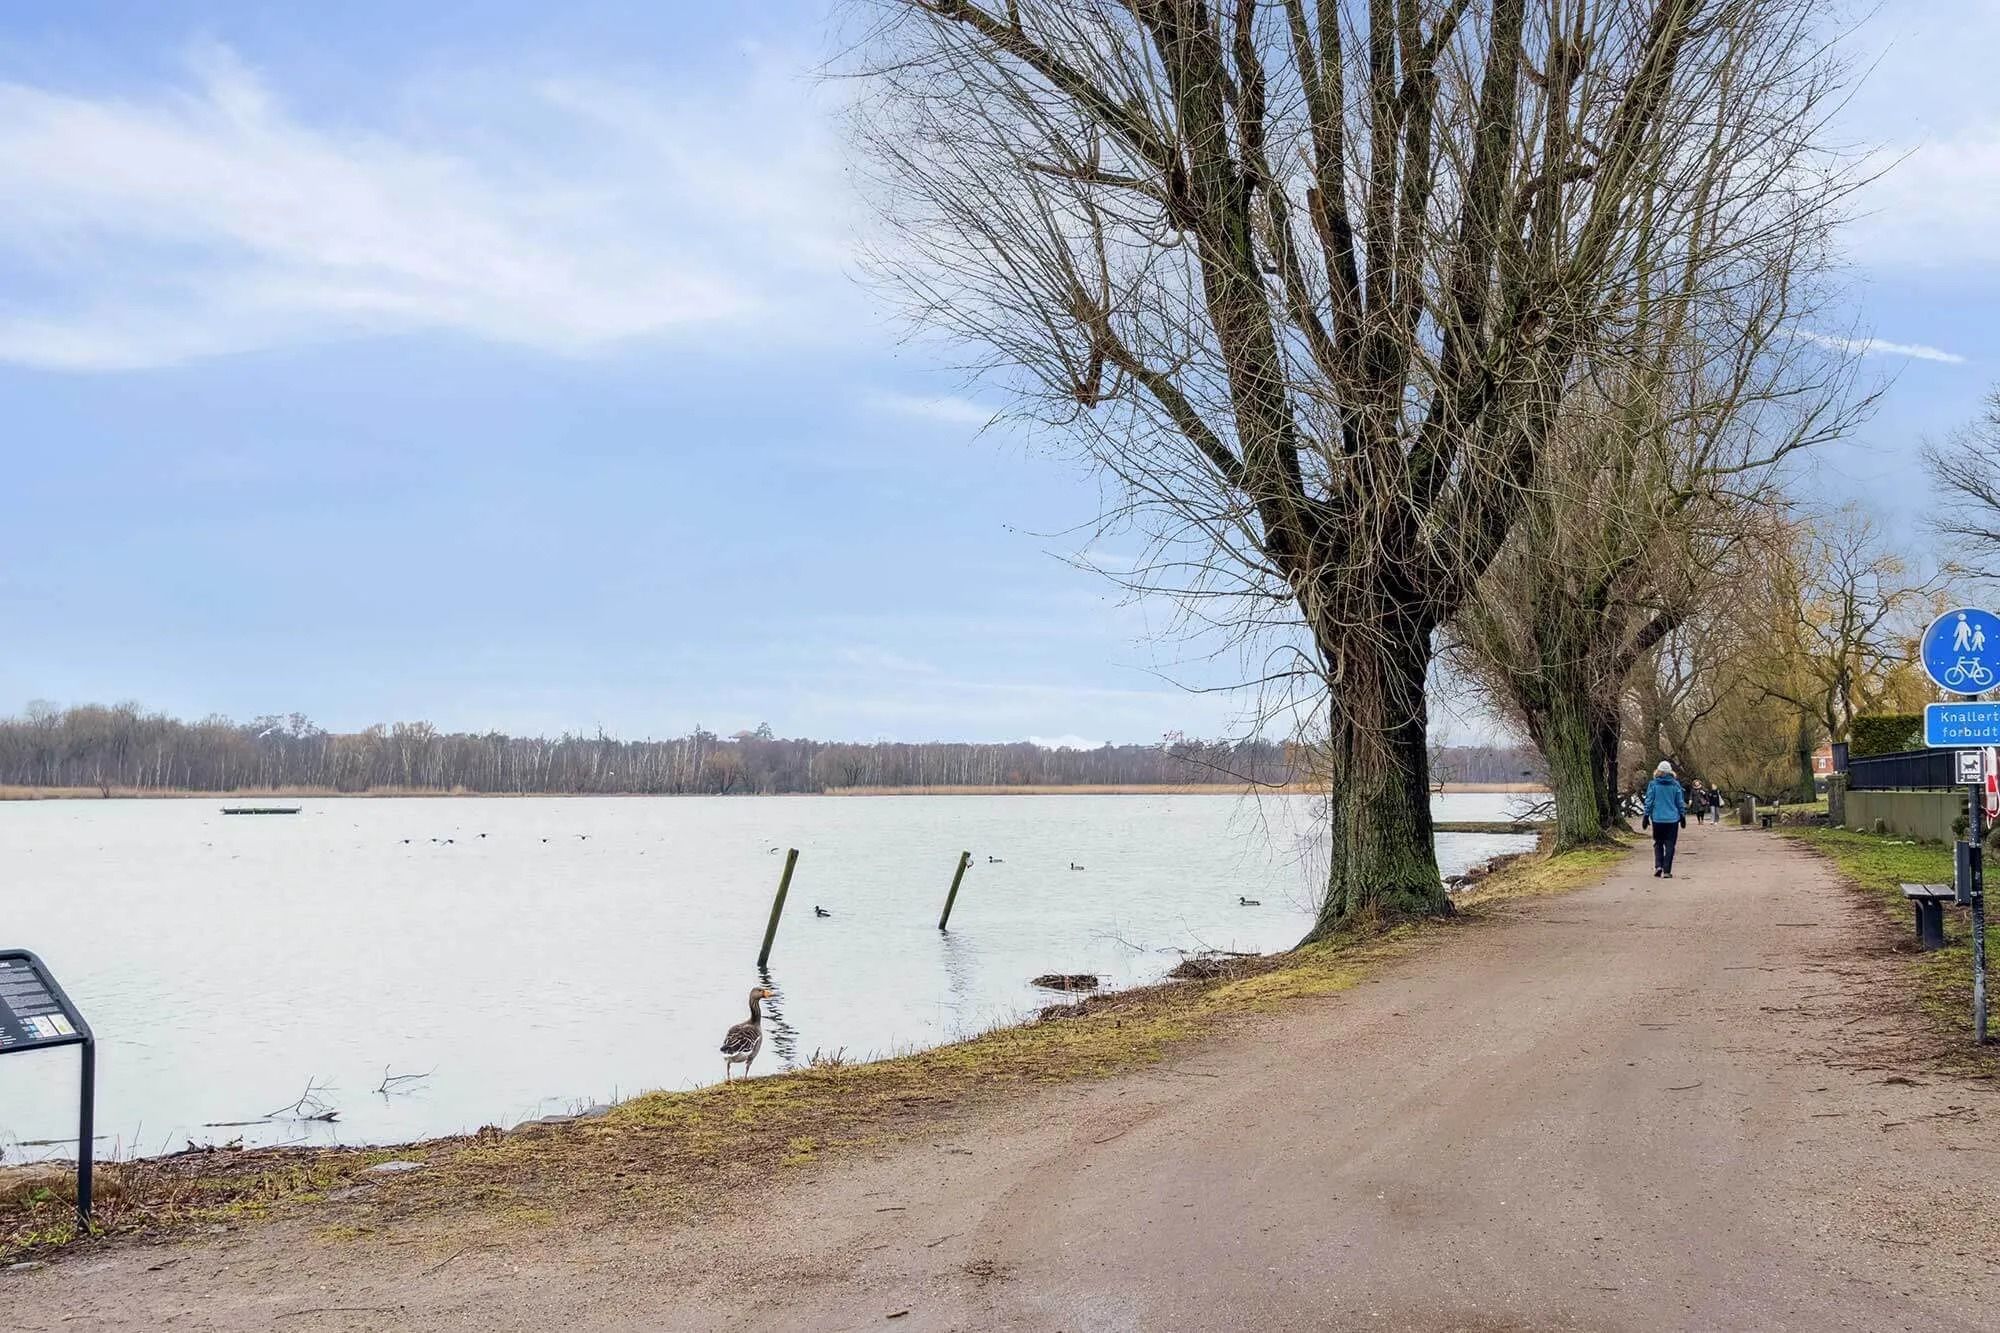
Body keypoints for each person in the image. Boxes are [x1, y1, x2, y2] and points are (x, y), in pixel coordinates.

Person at [1643, 760, 1688, 878]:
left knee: (1658, 843)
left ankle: (1658, 866)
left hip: (1657, 819)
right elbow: (1679, 802)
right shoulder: (1675, 785)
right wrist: (1682, 815)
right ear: (1670, 772)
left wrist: (1646, 816)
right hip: (1672, 820)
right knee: (1670, 845)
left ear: (1658, 771)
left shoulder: (1653, 784)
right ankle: (1667, 871)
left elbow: (1649, 801)